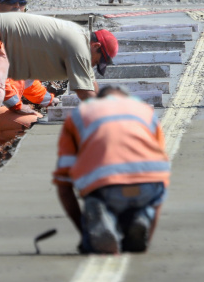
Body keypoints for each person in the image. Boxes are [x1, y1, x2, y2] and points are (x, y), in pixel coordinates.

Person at [0, 10, 119, 162]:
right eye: (97, 61)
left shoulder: (77, 39)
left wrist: (50, 101)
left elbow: (89, 84)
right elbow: (85, 93)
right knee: (27, 121)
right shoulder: (77, 46)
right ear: (96, 46)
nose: (93, 65)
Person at [52, 86, 170, 254]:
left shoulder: (80, 114)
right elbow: (161, 168)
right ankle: (143, 215)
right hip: (148, 185)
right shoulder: (145, 111)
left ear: (98, 99)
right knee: (148, 200)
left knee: (101, 205)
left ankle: (101, 215)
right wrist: (147, 242)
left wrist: (85, 233)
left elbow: (63, 181)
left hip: (105, 187)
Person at [0, 0, 59, 146]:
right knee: (36, 125)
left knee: (40, 123)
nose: (17, 6)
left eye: (21, 2)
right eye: (11, 2)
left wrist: (50, 101)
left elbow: (27, 82)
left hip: (2, 108)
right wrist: (18, 106)